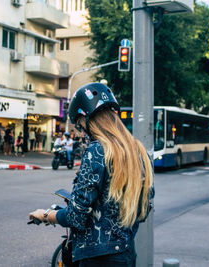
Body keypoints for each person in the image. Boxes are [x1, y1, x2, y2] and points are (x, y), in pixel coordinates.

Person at [29, 82, 154, 266]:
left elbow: (75, 216)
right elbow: (144, 209)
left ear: (87, 119)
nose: (82, 132)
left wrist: (46, 215)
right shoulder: (139, 151)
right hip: (126, 254)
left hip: (97, 259)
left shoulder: (97, 151)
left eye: (80, 125)